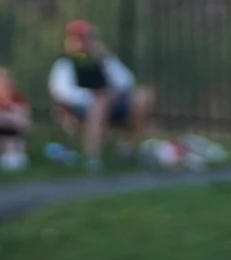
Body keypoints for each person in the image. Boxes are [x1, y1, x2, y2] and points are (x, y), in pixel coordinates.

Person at [47, 19, 153, 170]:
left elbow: (127, 81)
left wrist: (107, 58)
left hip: (113, 104)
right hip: (83, 108)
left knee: (143, 96)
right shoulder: (65, 63)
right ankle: (93, 157)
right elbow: (61, 91)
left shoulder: (102, 59)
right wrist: (91, 96)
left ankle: (127, 148)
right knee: (99, 104)